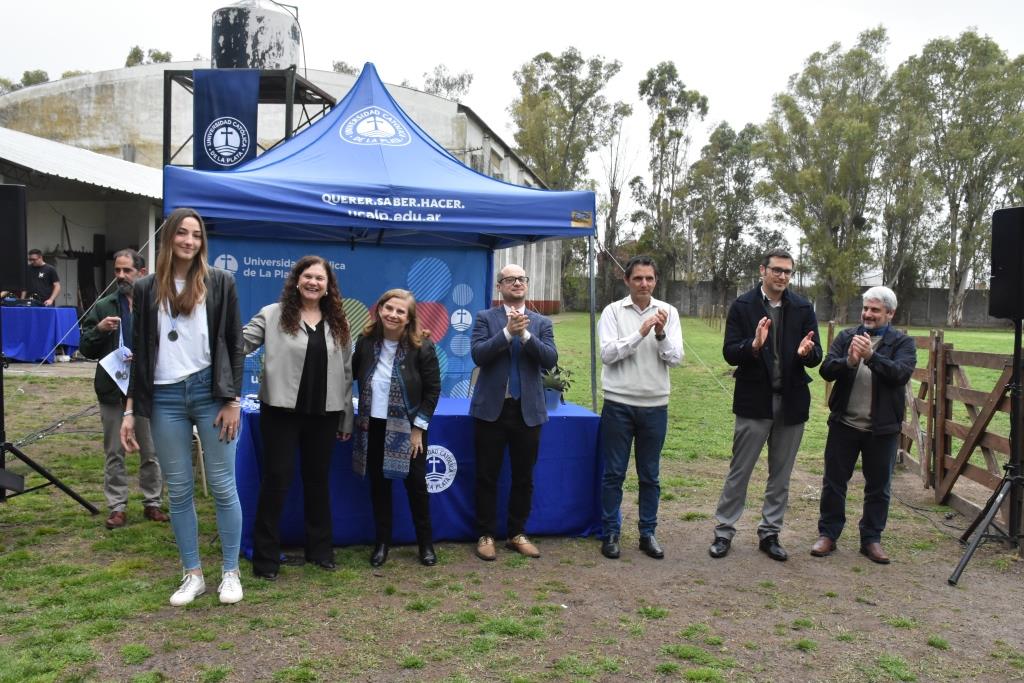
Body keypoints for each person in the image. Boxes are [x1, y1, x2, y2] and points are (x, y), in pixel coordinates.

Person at [120, 207, 245, 606]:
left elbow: (235, 344)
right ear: (169, 237)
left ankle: (230, 572)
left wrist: (233, 399)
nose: (189, 241)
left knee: (223, 486)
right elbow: (139, 354)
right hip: (164, 397)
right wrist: (129, 410)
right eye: (182, 233)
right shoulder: (145, 288)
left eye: (196, 234)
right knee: (179, 491)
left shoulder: (220, 281)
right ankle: (193, 574)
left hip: (210, 392)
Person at [242, 255, 353, 581]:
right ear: (296, 280)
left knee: (318, 482)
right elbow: (239, 344)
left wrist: (345, 417)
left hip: (324, 414)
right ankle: (265, 557)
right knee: (276, 480)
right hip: (281, 413)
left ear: (328, 286)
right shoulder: (272, 314)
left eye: (320, 278)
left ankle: (320, 550)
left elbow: (347, 373)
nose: (313, 282)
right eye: (308, 276)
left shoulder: (339, 322)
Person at [708, 248, 821, 562]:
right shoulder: (743, 306)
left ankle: (770, 533)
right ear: (763, 270)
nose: (782, 276)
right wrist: (754, 345)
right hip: (754, 401)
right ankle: (724, 532)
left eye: (787, 272)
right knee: (739, 471)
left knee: (781, 475)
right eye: (777, 270)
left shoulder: (802, 307)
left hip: (791, 403)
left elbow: (817, 355)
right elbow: (730, 352)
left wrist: (807, 353)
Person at [811, 286, 915, 564]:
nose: (868, 314)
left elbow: (900, 374)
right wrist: (849, 361)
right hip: (844, 425)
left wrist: (871, 357)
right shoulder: (847, 337)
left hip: (882, 430)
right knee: (834, 483)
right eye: (865, 308)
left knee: (879, 487)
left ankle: (871, 539)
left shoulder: (903, 343)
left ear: (890, 314)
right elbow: (826, 370)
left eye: (875, 310)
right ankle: (828, 534)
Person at [598, 255, 683, 560]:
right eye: (637, 278)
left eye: (649, 278)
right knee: (614, 473)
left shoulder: (668, 312)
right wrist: (640, 332)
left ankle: (648, 533)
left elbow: (676, 358)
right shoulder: (612, 311)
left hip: (655, 405)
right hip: (618, 403)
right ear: (627, 280)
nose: (644, 284)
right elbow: (608, 354)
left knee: (650, 475)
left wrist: (660, 333)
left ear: (656, 281)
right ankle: (610, 532)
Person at [470, 264, 557, 561]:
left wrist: (527, 336)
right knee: (486, 475)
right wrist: (508, 333)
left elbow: (550, 360)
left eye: (521, 279)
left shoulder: (542, 322)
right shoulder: (485, 318)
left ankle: (517, 533)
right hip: (491, 410)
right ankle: (485, 534)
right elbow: (478, 355)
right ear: (500, 286)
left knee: (523, 477)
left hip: (527, 411)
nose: (517, 283)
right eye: (510, 279)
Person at [79, 249, 169, 530]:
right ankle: (117, 506)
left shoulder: (157, 303)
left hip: (145, 388)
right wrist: (100, 330)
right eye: (117, 270)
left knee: (150, 449)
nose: (120, 276)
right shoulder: (104, 306)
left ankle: (152, 502)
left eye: (126, 271)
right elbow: (85, 348)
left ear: (141, 273)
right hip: (112, 389)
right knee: (114, 451)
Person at [352, 289, 441, 567]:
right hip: (372, 427)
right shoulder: (365, 341)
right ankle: (382, 544)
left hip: (410, 430)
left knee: (416, 488)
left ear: (409, 318)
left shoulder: (423, 346)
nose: (393, 314)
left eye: (400, 311)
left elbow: (433, 391)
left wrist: (418, 430)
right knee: (379, 488)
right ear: (379, 309)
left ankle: (425, 544)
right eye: (388, 308)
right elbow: (350, 373)